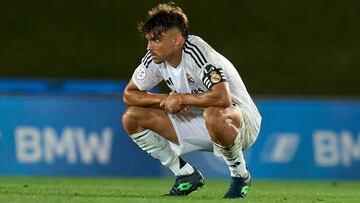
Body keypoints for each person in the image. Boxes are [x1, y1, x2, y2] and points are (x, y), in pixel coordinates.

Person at [122, 2, 261, 199]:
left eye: (156, 40)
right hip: (198, 120)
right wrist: (165, 99)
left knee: (213, 113)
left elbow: (223, 97)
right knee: (131, 117)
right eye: (148, 40)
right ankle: (185, 175)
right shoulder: (154, 59)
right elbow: (130, 94)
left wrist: (182, 98)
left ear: (177, 40)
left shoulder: (197, 53)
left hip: (240, 122)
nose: (149, 46)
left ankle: (240, 176)